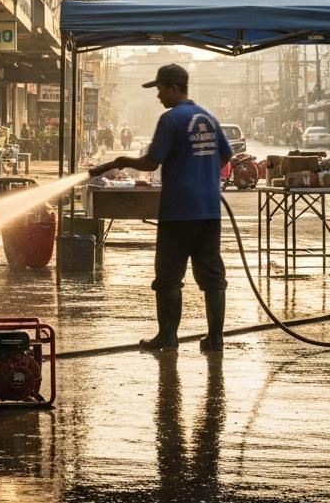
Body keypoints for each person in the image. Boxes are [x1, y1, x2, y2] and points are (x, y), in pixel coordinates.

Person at [90, 63, 232, 353]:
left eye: (160, 89)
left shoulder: (171, 119)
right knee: (212, 276)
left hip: (179, 211)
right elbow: (226, 154)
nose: (158, 96)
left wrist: (124, 161)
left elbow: (151, 162)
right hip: (209, 210)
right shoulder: (209, 117)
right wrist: (204, 177)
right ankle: (215, 339)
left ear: (174, 88)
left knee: (168, 276)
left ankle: (168, 337)